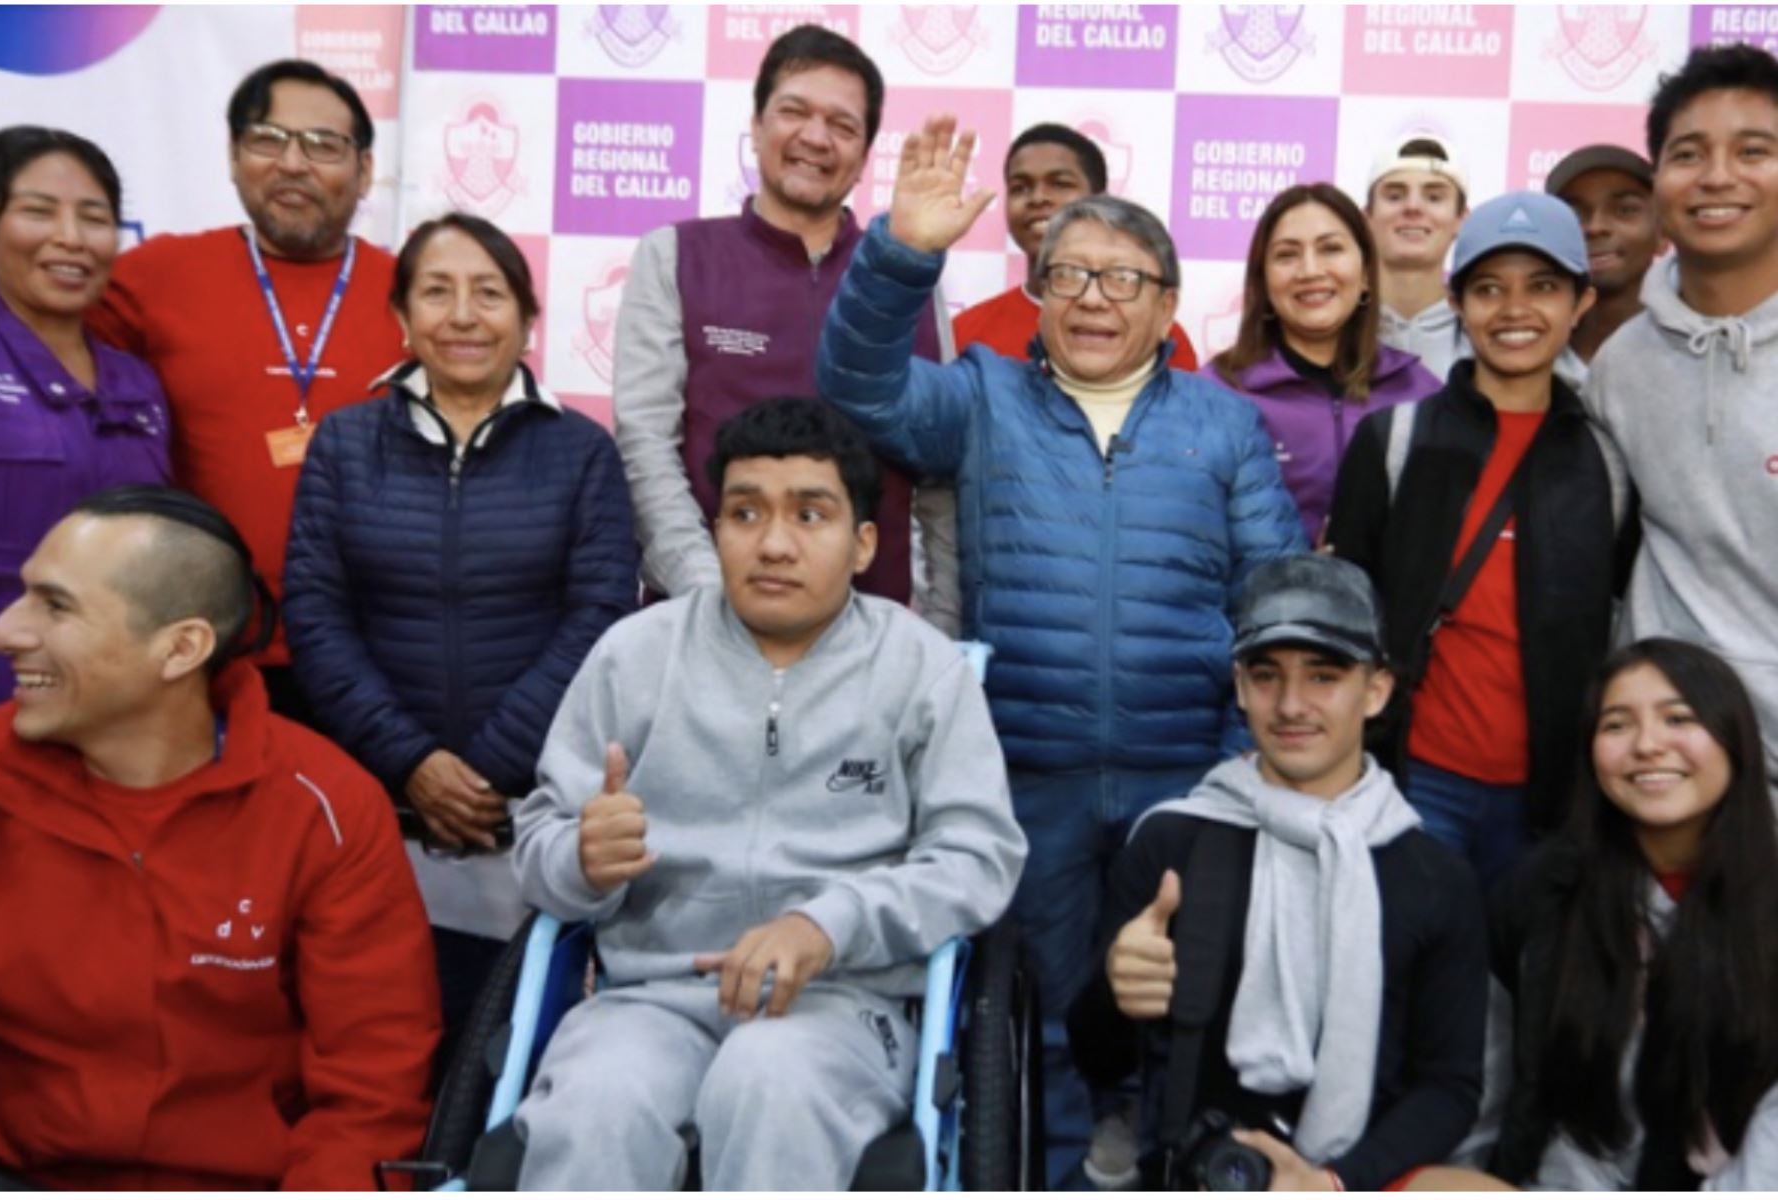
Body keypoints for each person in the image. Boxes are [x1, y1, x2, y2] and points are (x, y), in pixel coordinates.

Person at [815, 114, 1307, 1188]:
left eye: (1122, 279)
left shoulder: (1221, 427)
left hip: (1189, 779)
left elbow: (1270, 604)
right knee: (1036, 1010)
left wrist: (1237, 765)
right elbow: (857, 389)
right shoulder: (982, 395)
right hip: (1024, 777)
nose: (1092, 297)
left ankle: (1172, 1166)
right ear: (1037, 292)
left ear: (1169, 306)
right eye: (1068, 275)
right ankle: (1052, 1172)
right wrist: (901, 252)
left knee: (1181, 1007)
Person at [508, 397, 1026, 1190]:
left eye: (809, 515)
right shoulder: (636, 655)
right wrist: (581, 859)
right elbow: (539, 843)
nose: (774, 543)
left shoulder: (922, 670)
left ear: (862, 545)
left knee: (767, 1082)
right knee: (596, 1107)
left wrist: (829, 923)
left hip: (843, 1005)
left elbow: (978, 858)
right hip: (650, 999)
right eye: (744, 513)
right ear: (715, 532)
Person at [0, 486, 439, 1190]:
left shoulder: (326, 807)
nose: (5, 631)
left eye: (56, 605)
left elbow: (371, 1091)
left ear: (181, 648)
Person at [282, 213, 639, 1039]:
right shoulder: (343, 443)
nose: (464, 315)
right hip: (376, 803)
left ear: (527, 316)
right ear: (403, 318)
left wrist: (480, 770)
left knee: (509, 1039)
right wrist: (411, 762)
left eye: (489, 292)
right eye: (436, 293)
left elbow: (599, 617)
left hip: (527, 807)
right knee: (371, 1029)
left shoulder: (581, 452)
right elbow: (314, 610)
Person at [1078, 555, 1486, 1191]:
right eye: (1268, 676)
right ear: (1240, 686)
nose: (1292, 705)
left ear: (1376, 690)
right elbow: (1095, 1057)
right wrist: (1115, 990)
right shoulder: (1171, 842)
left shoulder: (1433, 876)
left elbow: (1451, 1087)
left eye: (1324, 676)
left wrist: (1331, 1182)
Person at [611, 24, 957, 631]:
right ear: (757, 124)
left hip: (873, 638)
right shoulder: (676, 255)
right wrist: (714, 591)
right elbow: (645, 445)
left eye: (843, 125)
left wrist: (938, 627)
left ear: (864, 154)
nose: (815, 137)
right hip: (704, 624)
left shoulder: (906, 278)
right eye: (794, 112)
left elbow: (936, 471)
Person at [1329, 191, 1628, 889]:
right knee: (1404, 988)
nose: (1515, 310)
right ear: (1456, 301)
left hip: (1552, 799)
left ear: (1581, 302)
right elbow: (1344, 615)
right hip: (1415, 785)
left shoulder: (1607, 462)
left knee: (1533, 993)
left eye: (1543, 287)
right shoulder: (1395, 440)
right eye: (1489, 288)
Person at [89, 59, 403, 722]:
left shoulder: (417, 292)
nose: (294, 163)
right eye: (268, 138)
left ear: (365, 171)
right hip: (194, 645)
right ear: (234, 157)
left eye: (323, 145)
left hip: (372, 654)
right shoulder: (155, 276)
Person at [1477, 639, 1778, 1189]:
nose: (1647, 745)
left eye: (1678, 718)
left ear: (1734, 738)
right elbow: (1491, 1077)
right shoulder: (1542, 889)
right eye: (1616, 725)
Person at [1585, 42, 1778, 786]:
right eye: (1689, 153)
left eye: (1753, 150)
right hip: (1664, 773)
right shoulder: (1622, 366)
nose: (1718, 177)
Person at [0, 126, 168, 709]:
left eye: (93, 217)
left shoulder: (138, 381)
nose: (70, 239)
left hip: (106, 703)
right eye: (38, 212)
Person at [1204, 182, 1440, 545]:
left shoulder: (1420, 392)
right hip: (1255, 599)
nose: (1310, 270)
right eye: (1287, 255)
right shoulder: (1216, 393)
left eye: (1331, 249)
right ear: (1263, 282)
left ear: (1364, 275)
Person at [954, 122, 1199, 369]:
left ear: (1100, 200)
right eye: (1020, 188)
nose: (1038, 198)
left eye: (1060, 184)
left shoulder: (1157, 335)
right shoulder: (966, 330)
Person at [1545, 143, 1665, 363]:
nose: (1595, 227)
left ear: (1663, 234)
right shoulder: (1522, 348)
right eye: (1574, 213)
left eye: (1625, 210)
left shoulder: (1696, 348)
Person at [1367, 133, 1468, 381]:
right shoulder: (1333, 328)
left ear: (1461, 220)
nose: (1413, 207)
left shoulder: (1484, 336)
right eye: (1394, 196)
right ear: (1367, 218)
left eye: (1434, 197)